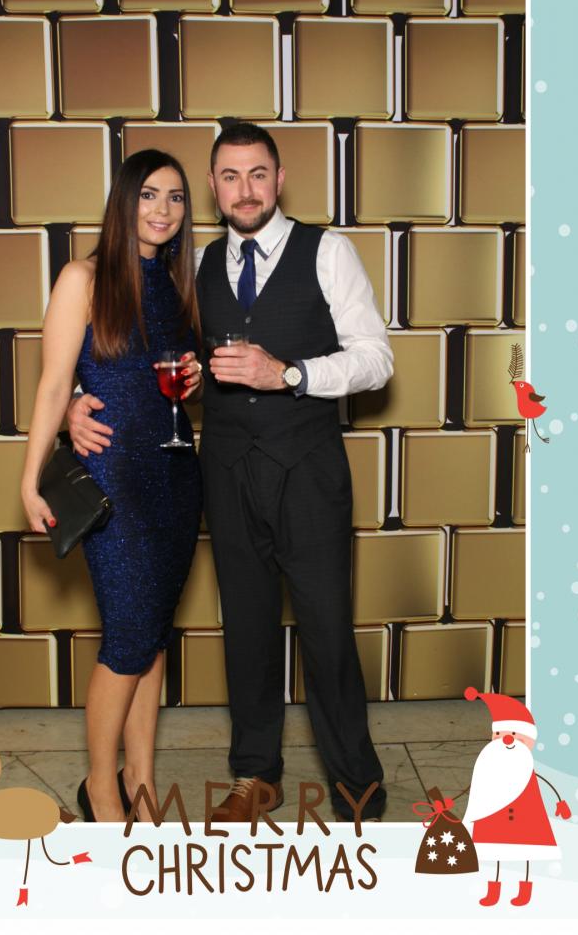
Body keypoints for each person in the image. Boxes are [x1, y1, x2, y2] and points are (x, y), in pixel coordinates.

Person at [69, 123, 393, 822]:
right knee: (245, 626)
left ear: (279, 180)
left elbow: (376, 359)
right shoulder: (195, 265)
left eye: (257, 174)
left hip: (307, 471)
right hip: (222, 470)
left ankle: (354, 782)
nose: (244, 190)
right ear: (213, 188)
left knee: (327, 631)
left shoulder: (327, 251)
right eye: (229, 176)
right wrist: (74, 399)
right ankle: (255, 774)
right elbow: (131, 344)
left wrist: (291, 373)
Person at [21, 149, 203, 823]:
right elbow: (52, 386)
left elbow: (173, 384)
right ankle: (101, 790)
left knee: (152, 638)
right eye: (149, 194)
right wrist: (31, 479)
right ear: (124, 201)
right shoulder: (84, 278)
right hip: (114, 482)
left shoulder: (178, 284)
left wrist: (194, 380)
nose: (162, 209)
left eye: (176, 197)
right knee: (128, 640)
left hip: (176, 478)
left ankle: (141, 784)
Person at [462, 687, 571, 907]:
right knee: (496, 854)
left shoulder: (527, 767)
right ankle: (494, 890)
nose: (506, 739)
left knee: (527, 854)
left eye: (514, 734)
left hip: (526, 817)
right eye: (500, 734)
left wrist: (561, 803)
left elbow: (546, 781)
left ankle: (525, 890)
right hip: (495, 817)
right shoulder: (490, 766)